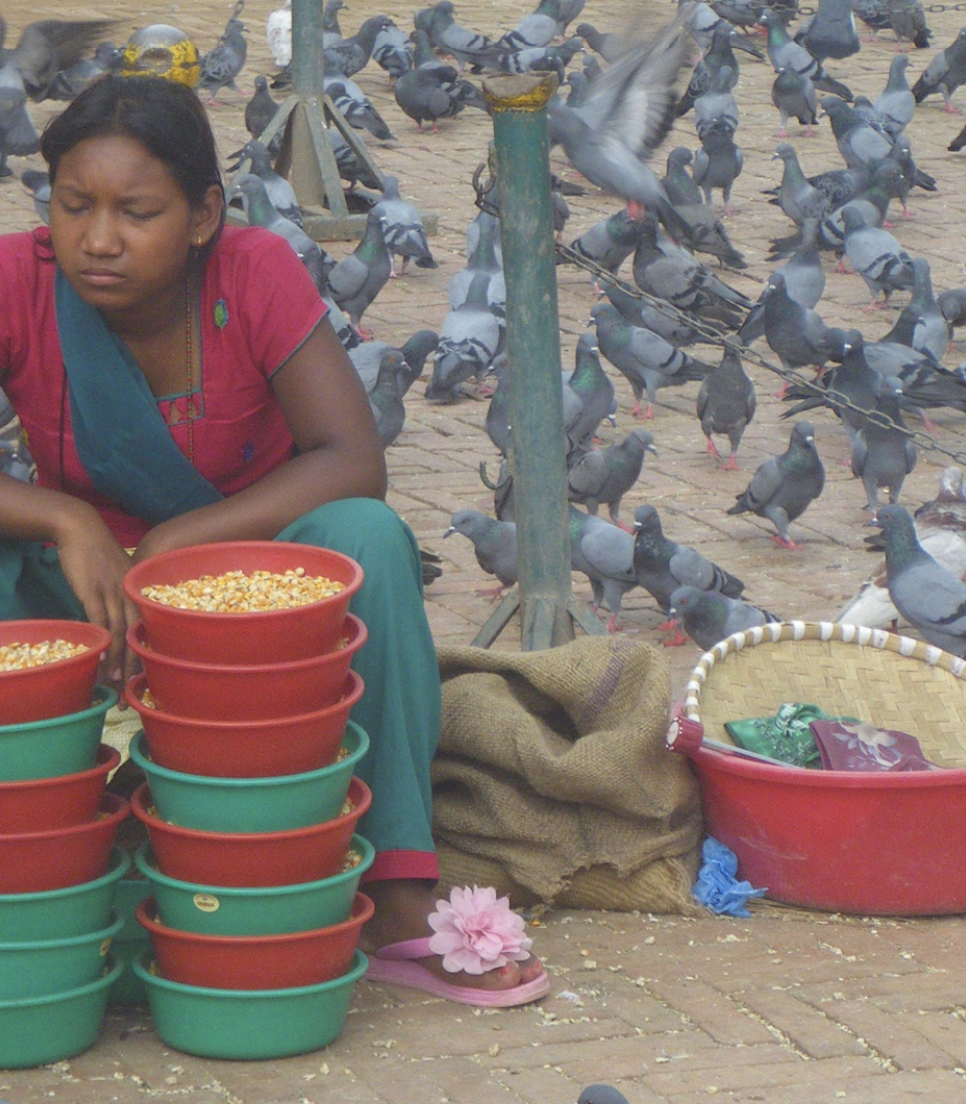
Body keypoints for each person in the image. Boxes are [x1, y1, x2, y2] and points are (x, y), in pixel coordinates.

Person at [0, 74, 547, 1007]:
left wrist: (180, 541)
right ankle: (43, 846)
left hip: (245, 597)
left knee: (366, 538)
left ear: (205, 212)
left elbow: (350, 458)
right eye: (73, 205)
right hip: (79, 592)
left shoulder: (253, 271)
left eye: (137, 211)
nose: (97, 238)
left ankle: (395, 889)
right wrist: (63, 516)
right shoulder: (19, 280)